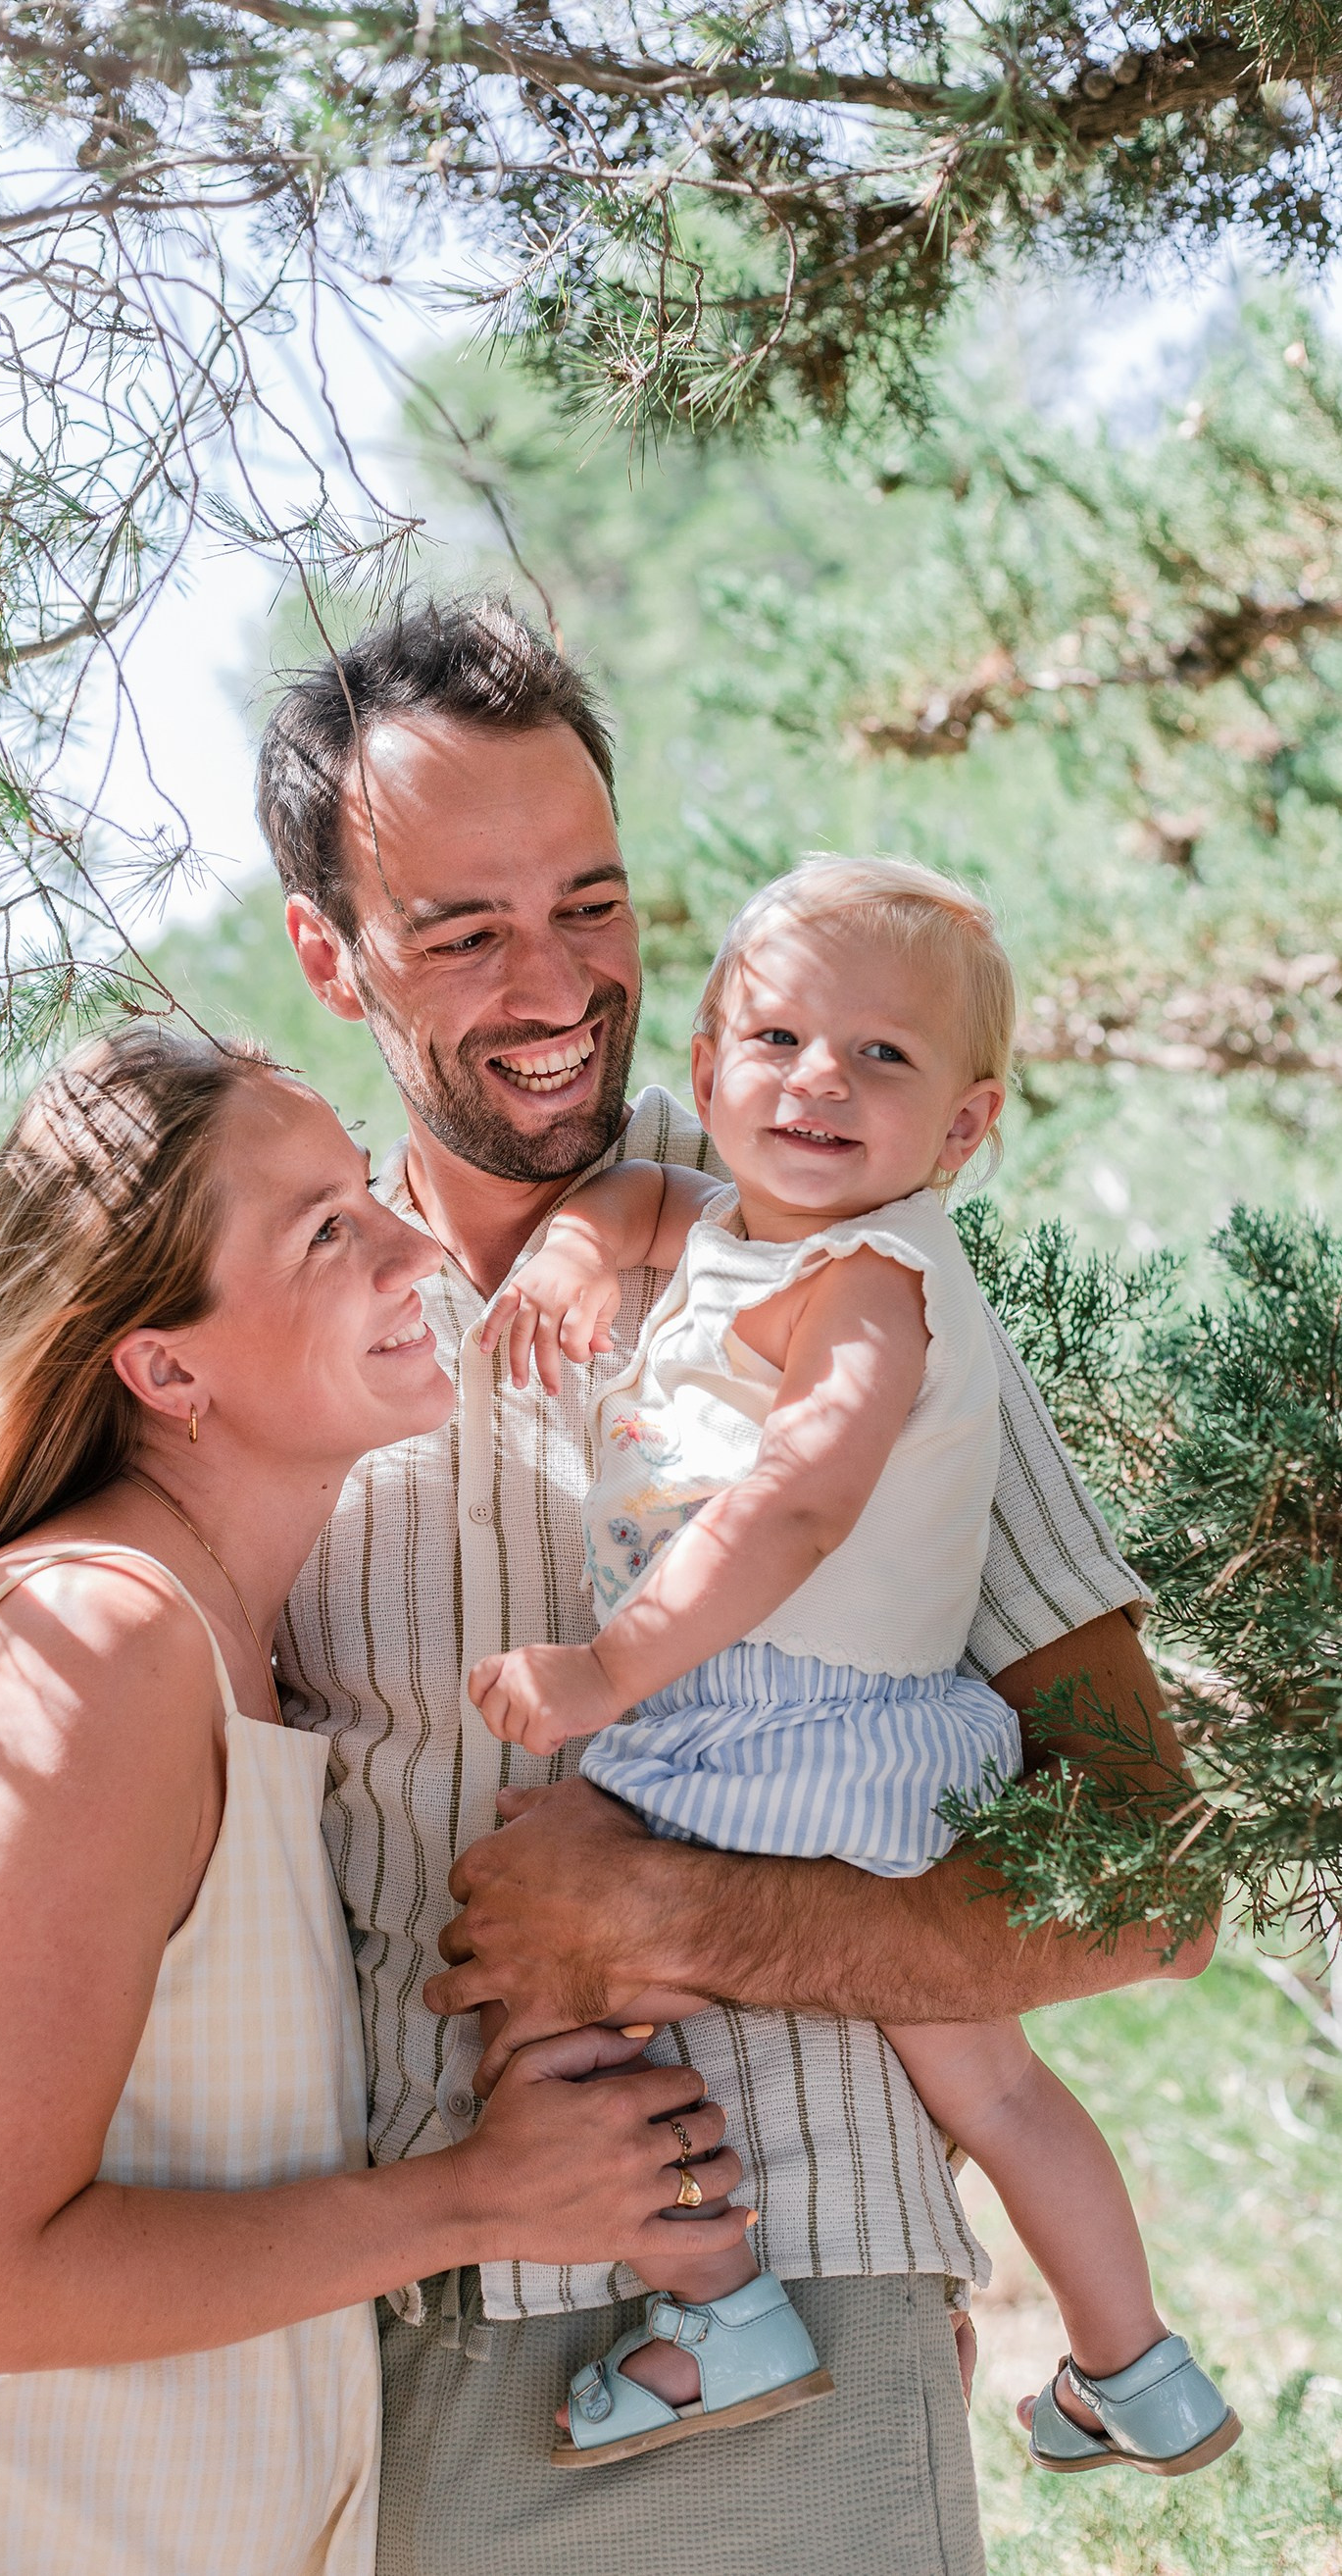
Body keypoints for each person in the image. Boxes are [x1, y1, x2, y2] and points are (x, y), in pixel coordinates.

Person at [0, 603, 1215, 2576]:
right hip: (337, 2366)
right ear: (327, 952)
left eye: (591, 904)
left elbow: (1153, 1881)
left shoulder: (844, 1259)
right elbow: (28, 1806)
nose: (559, 984)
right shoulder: (268, 1336)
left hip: (787, 2346)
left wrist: (694, 1916)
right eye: (464, 929)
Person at [0, 1029, 743, 2576]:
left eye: (367, 1191)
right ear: (165, 1370)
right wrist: (479, 2202)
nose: (412, 1242)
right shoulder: (103, 1641)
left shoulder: (221, 1639)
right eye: (325, 1231)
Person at [470, 857, 1238, 2481]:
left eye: (881, 1058)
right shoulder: (752, 1226)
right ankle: (1133, 2368)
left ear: (963, 1131)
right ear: (708, 1065)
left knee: (548, 1991)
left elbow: (798, 1504)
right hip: (867, 1744)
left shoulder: (872, 1286)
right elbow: (647, 1209)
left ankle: (720, 2309)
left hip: (765, 1730)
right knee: (995, 2084)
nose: (819, 1078)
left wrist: (608, 1672)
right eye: (779, 1039)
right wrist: (570, 1249)